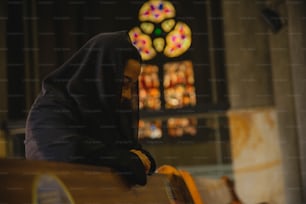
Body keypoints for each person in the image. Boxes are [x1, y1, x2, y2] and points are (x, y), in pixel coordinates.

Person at [25, 31, 156, 186]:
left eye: (132, 86)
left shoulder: (107, 110)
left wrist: (140, 160)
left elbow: (135, 155)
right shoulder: (50, 107)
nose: (128, 95)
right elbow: (65, 152)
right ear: (101, 73)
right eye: (124, 83)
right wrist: (126, 160)